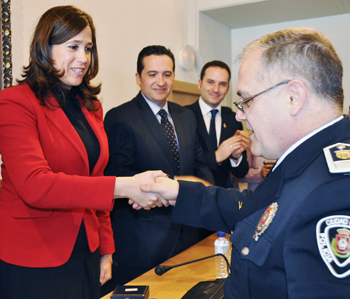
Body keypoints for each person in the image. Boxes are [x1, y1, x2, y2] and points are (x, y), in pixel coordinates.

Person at [141, 28, 350, 298]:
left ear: (293, 97)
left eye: (247, 101)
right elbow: (259, 211)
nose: (240, 116)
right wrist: (178, 192)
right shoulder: (309, 161)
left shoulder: (334, 193)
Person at [0, 6, 165, 299]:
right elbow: (35, 185)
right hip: (34, 256)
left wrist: (106, 248)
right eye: (72, 47)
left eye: (88, 48)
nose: (83, 58)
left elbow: (94, 177)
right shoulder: (15, 102)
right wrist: (125, 186)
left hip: (85, 250)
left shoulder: (91, 107)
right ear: (45, 47)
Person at [102, 45, 214, 294]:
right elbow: (117, 178)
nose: (161, 82)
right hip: (143, 241)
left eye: (167, 74)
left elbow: (201, 166)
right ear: (138, 78)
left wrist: (198, 189)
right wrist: (173, 184)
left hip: (188, 235)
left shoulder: (186, 116)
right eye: (152, 74)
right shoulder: (120, 117)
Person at [186, 60, 249, 188]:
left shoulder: (233, 118)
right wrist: (215, 156)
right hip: (194, 194)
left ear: (228, 89)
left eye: (222, 84)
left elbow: (241, 172)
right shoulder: (184, 116)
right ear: (199, 84)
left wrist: (235, 156)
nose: (216, 89)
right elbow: (184, 162)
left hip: (224, 196)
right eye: (210, 82)